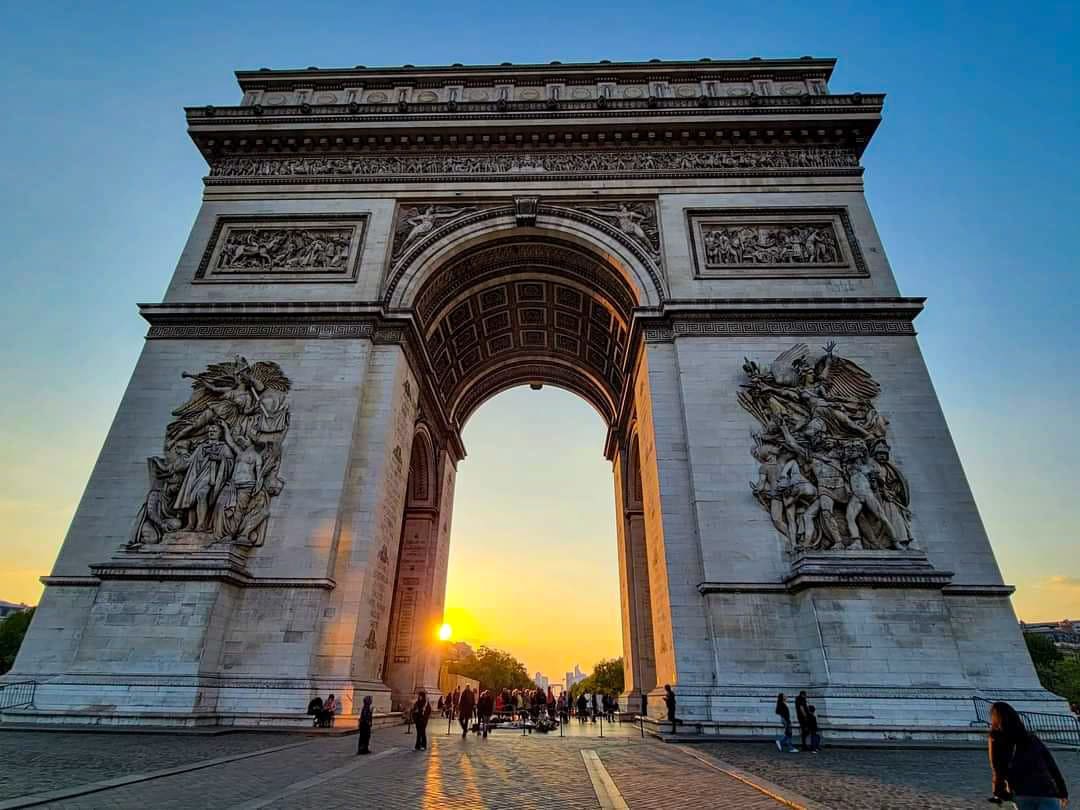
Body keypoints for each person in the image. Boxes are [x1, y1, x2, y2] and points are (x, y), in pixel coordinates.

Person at [988, 701, 1068, 808]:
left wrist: (999, 793)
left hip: (1022, 792)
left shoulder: (997, 739)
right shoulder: (1032, 738)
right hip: (1047, 791)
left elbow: (998, 769)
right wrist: (1063, 791)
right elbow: (1052, 766)